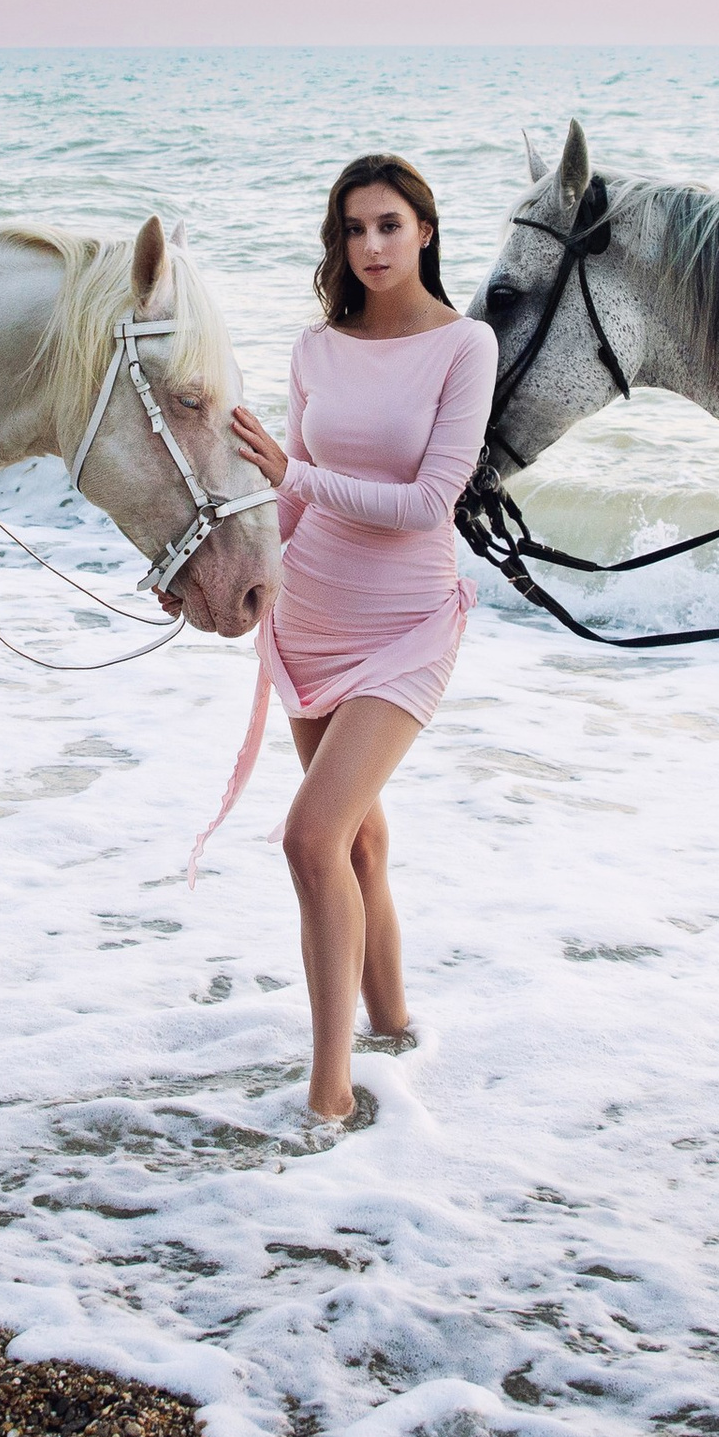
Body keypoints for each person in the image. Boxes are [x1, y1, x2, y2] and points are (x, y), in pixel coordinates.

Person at [227, 154, 497, 1121]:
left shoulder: (466, 347)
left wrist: (296, 476)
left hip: (406, 625)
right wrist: (244, 576)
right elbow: (289, 507)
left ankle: (331, 1095)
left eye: (388, 224)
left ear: (425, 229)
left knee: (311, 838)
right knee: (360, 843)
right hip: (309, 616)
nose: (370, 246)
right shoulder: (316, 346)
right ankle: (392, 1025)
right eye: (352, 229)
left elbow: (429, 504)